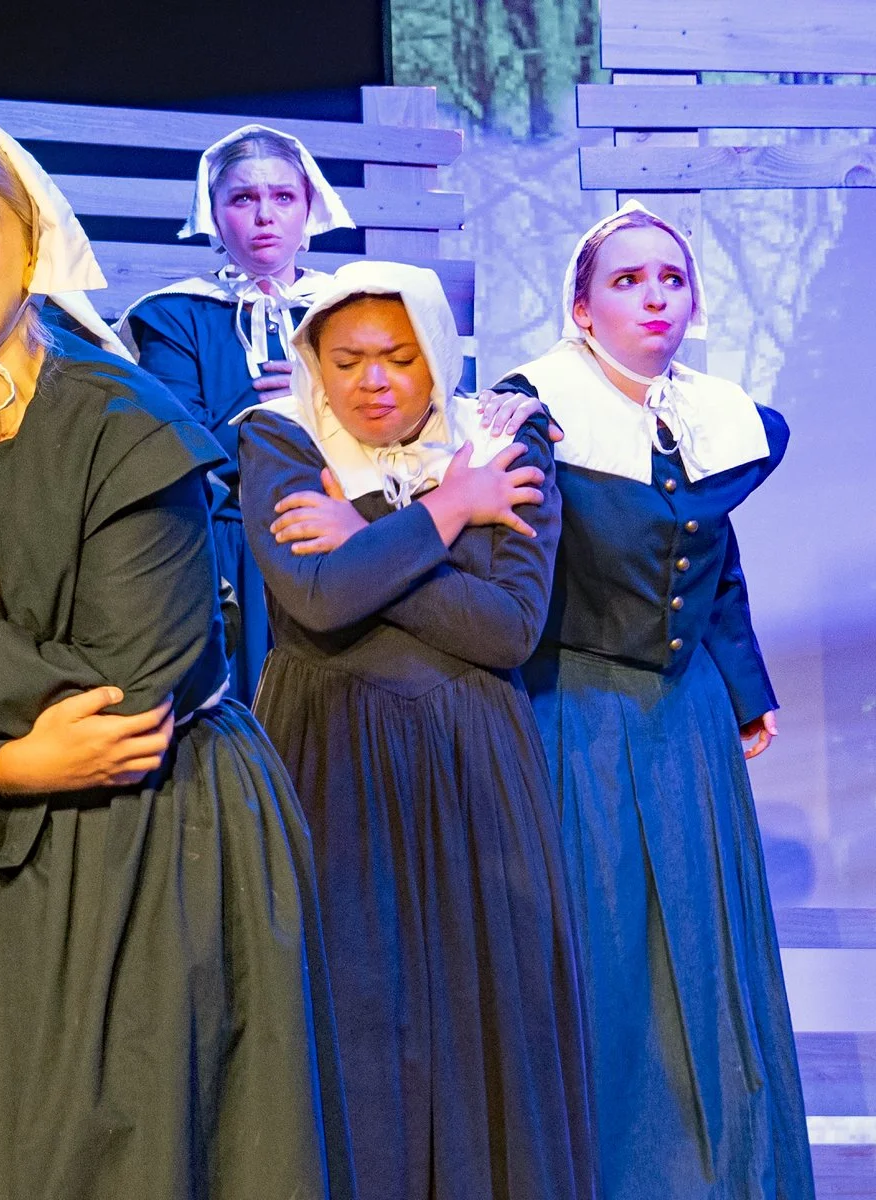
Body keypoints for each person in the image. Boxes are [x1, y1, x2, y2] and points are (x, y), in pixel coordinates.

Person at [0, 108, 351, 1200]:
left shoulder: (130, 422)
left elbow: (132, 696)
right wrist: (6, 766)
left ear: (30, 246)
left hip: (146, 836)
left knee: (125, 1147)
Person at [238, 261, 595, 1199]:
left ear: (436, 357)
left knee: (483, 1011)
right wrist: (446, 513)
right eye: (347, 359)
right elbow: (315, 602)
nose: (374, 381)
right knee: (353, 1013)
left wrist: (364, 541)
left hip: (474, 763)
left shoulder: (501, 442)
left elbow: (507, 627)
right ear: (312, 359)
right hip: (329, 754)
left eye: (399, 358)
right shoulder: (279, 441)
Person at [489, 203, 813, 1200]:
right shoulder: (535, 412)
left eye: (668, 279)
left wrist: (745, 690)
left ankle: (724, 1175)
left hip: (686, 718)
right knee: (607, 951)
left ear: (696, 301)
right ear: (581, 311)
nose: (653, 296)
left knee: (708, 960)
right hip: (574, 708)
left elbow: (713, 566)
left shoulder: (712, 417)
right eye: (626, 281)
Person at [119, 124, 356, 703]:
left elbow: (407, 422)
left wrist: (323, 401)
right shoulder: (175, 314)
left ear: (309, 209)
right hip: (230, 544)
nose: (264, 215)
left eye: (282, 197)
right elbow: (183, 444)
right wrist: (294, 413)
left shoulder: (352, 306)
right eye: (243, 198)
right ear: (214, 213)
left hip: (350, 527)